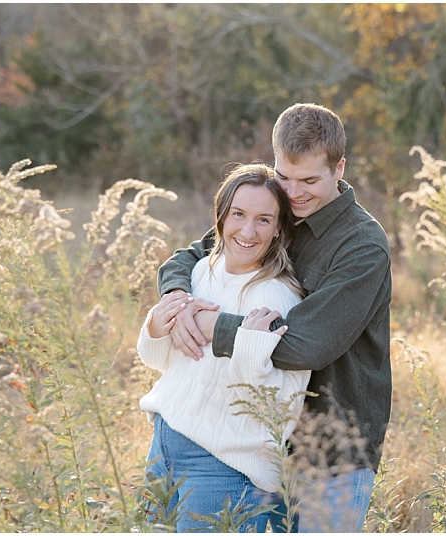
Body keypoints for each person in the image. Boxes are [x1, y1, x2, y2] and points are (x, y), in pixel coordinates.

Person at [156, 103, 392, 532]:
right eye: (285, 175)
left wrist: (213, 326)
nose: (295, 191)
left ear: (339, 168)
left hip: (331, 451)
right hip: (259, 442)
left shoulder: (362, 246)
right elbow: (193, 255)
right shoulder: (274, 209)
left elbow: (307, 344)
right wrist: (177, 298)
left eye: (309, 181)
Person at [138, 163, 310, 532]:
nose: (248, 231)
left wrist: (249, 349)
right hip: (165, 444)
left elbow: (281, 408)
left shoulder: (277, 296)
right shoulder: (202, 272)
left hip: (223, 467)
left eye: (264, 220)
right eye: (239, 214)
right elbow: (166, 363)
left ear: (279, 227)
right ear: (221, 215)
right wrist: (158, 323)